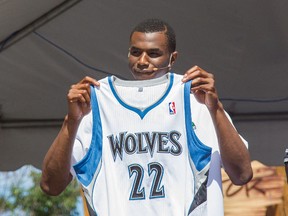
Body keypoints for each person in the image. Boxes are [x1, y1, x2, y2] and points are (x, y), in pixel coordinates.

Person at [40, 18, 253, 216]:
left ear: (173, 58)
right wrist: (71, 121)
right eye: (135, 52)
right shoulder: (95, 104)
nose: (142, 61)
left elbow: (242, 174)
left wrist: (215, 108)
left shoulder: (196, 100)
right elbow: (50, 186)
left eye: (153, 53)